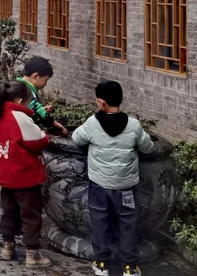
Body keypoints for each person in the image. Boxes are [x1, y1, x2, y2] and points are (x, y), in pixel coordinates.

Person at [72, 81, 154, 276]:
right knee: (128, 224)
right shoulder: (133, 125)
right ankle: (129, 267)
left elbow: (76, 138)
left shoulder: (92, 123)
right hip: (126, 188)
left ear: (101, 102)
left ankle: (102, 264)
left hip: (99, 187)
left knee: (100, 222)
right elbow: (148, 147)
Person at [0, 80, 52, 269]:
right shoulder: (19, 117)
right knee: (31, 215)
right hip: (25, 178)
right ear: (19, 101)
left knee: (9, 211)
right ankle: (32, 255)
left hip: (6, 176)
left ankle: (7, 247)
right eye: (28, 101)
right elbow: (38, 141)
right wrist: (44, 133)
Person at [17, 57, 69, 136]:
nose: (45, 84)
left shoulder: (17, 85)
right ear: (35, 76)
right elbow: (41, 115)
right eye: (46, 80)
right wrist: (60, 127)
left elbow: (30, 109)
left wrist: (41, 109)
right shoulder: (27, 92)